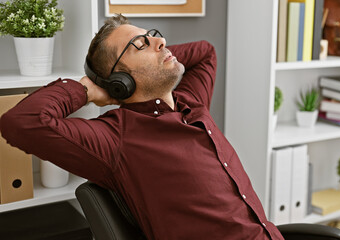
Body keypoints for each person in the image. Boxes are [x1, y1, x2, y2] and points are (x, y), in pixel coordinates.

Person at [0, 14, 284, 240]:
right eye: (139, 45)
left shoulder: (192, 102)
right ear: (119, 79)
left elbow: (205, 52)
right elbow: (22, 122)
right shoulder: (116, 138)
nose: (160, 43)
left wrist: (156, 61)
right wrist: (87, 89)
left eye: (153, 36)